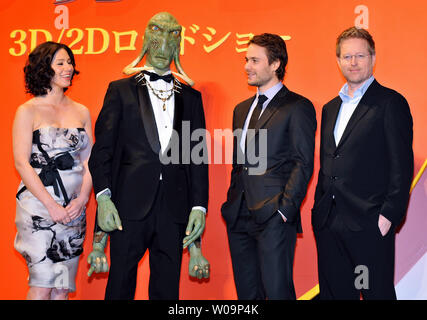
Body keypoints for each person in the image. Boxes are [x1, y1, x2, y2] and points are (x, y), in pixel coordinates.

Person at [87, 12, 210, 300]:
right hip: (127, 208)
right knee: (119, 286)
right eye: (158, 35)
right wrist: (103, 198)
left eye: (172, 36)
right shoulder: (120, 91)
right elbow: (102, 151)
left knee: (167, 291)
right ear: (146, 40)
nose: (164, 44)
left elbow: (196, 160)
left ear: (178, 44)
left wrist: (199, 208)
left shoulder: (191, 99)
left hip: (174, 209)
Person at [312, 27, 414, 300]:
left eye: (359, 55)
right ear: (338, 60)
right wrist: (318, 208)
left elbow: (401, 165)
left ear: (373, 58)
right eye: (347, 56)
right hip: (329, 222)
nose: (353, 62)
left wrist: (389, 215)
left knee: (374, 293)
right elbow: (328, 161)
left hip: (369, 223)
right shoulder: (330, 108)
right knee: (334, 295)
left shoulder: (390, 103)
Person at [221, 33, 316, 300]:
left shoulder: (297, 106)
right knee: (247, 295)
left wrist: (284, 210)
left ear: (275, 64)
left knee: (277, 293)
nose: (247, 66)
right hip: (238, 214)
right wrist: (232, 201)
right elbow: (239, 162)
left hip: (274, 215)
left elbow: (303, 162)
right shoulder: (241, 109)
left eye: (254, 60)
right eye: (246, 59)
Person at [13, 41, 93, 300]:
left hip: (73, 210)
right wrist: (51, 205)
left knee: (61, 287)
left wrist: (81, 200)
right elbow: (22, 163)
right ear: (43, 69)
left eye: (69, 62)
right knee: (43, 284)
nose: (68, 68)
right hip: (38, 208)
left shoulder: (81, 111)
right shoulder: (28, 111)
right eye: (60, 63)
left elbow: (91, 161)